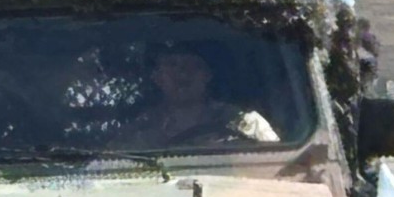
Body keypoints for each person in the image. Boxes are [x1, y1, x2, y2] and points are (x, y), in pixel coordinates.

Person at [111, 42, 278, 149]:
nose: (182, 74)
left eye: (192, 65)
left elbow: (279, 166)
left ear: (207, 75)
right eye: (171, 65)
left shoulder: (245, 123)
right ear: (157, 78)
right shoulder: (139, 130)